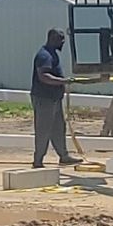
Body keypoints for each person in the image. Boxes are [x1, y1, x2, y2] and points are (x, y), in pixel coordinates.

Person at [31, 26, 74, 165]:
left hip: (54, 98)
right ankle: (38, 160)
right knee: (43, 129)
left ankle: (64, 156)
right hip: (45, 99)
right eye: (60, 39)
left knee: (58, 128)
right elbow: (44, 76)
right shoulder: (44, 56)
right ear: (52, 39)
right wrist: (63, 81)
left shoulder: (52, 54)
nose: (62, 42)